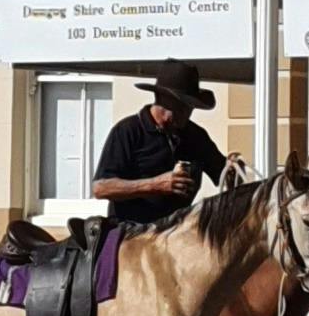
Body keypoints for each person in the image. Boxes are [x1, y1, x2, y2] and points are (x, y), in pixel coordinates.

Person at [91, 66, 231, 232]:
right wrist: (155, 185)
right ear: (164, 100)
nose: (188, 115)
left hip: (178, 235)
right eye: (184, 108)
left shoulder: (195, 135)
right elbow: (101, 188)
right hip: (131, 235)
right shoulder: (127, 131)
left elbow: (225, 176)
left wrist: (232, 168)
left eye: (191, 108)